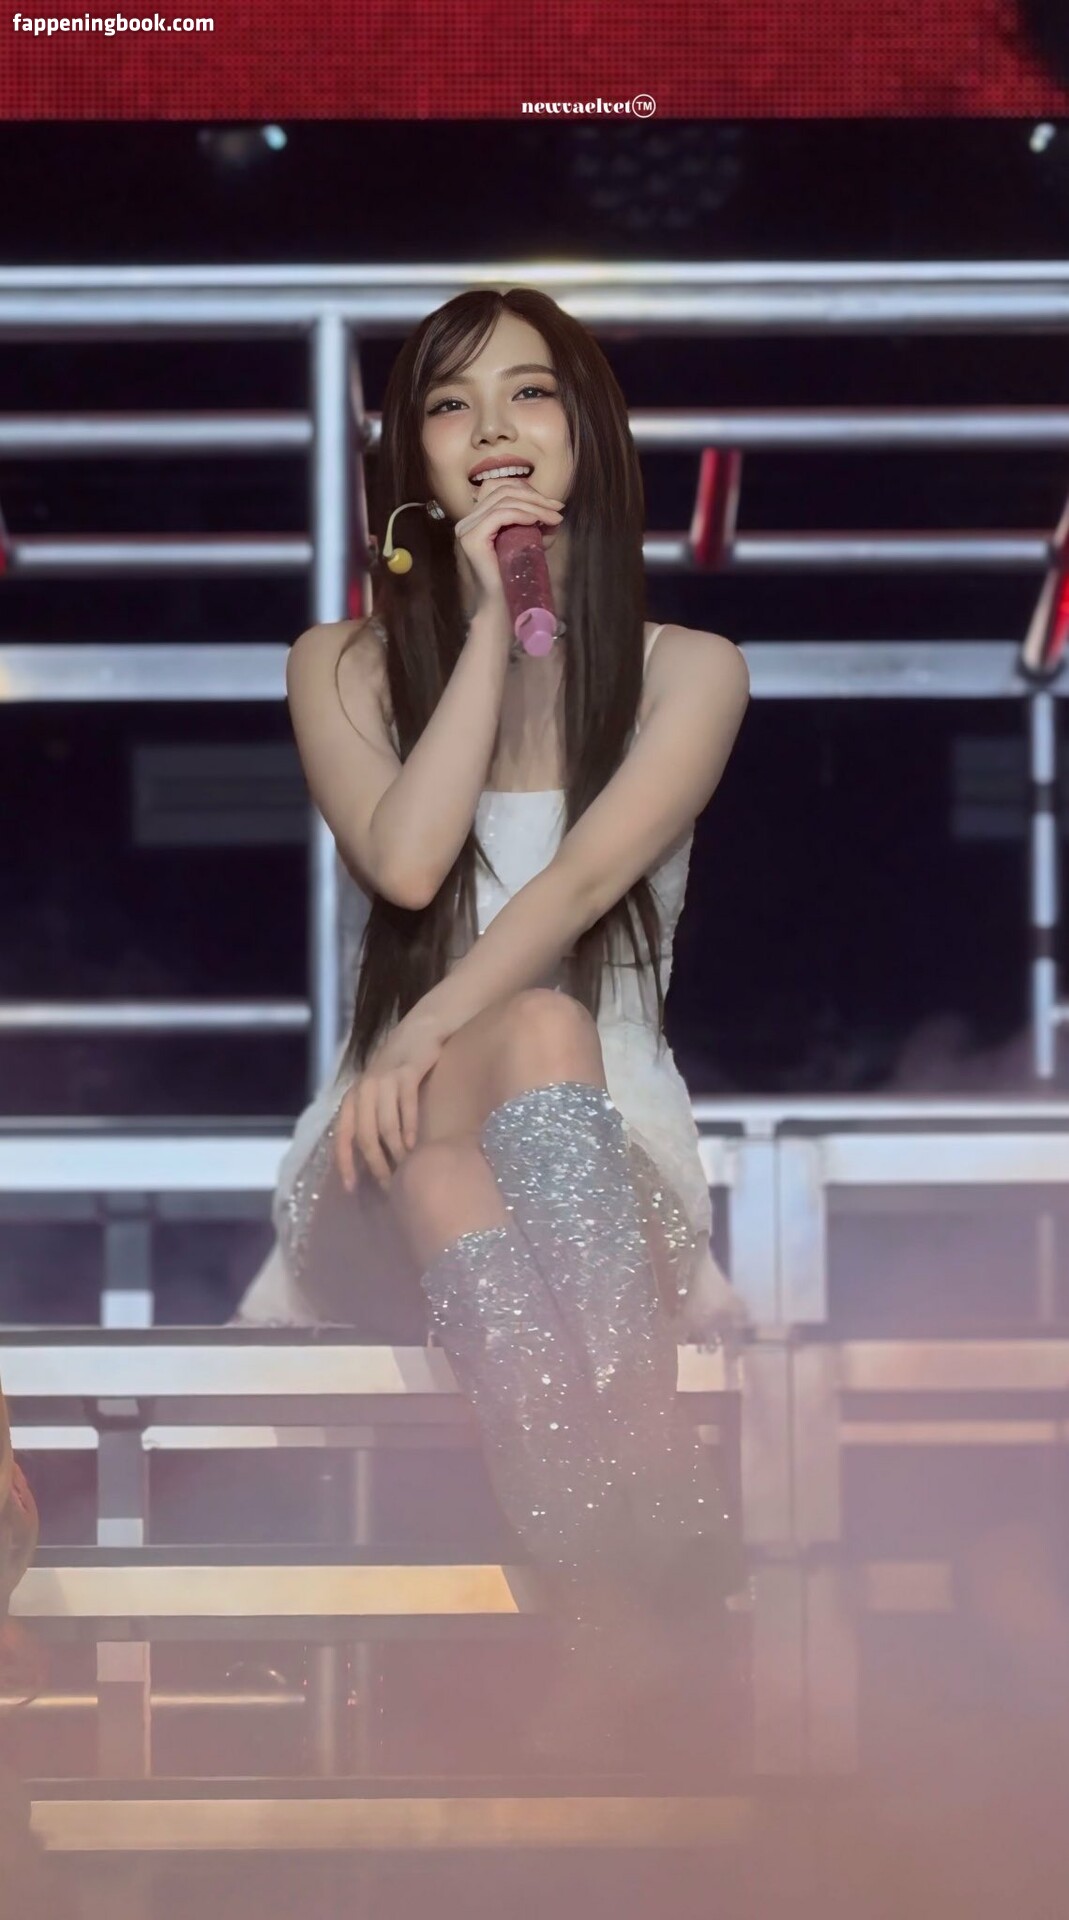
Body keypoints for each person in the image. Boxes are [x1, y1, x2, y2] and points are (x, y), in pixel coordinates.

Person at [232, 285, 752, 1762]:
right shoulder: (337, 665)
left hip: (592, 1158)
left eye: (529, 394)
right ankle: (656, 1485)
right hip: (378, 1151)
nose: (493, 431)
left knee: (525, 1057)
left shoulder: (688, 669)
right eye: (450, 406)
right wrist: (481, 627)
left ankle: (609, 1631)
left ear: (586, 433)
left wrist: (430, 1019)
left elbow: (579, 885)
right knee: (515, 1045)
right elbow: (408, 865)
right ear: (414, 456)